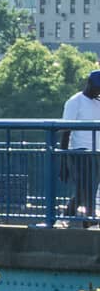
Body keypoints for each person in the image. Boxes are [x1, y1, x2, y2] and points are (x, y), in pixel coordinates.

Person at [65, 68, 100, 223]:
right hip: (80, 151)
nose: (98, 91)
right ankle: (90, 218)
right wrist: (63, 158)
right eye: (97, 87)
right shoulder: (75, 101)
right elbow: (65, 131)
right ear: (89, 83)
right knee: (89, 186)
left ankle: (65, 217)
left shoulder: (98, 103)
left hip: (96, 151)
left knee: (81, 190)